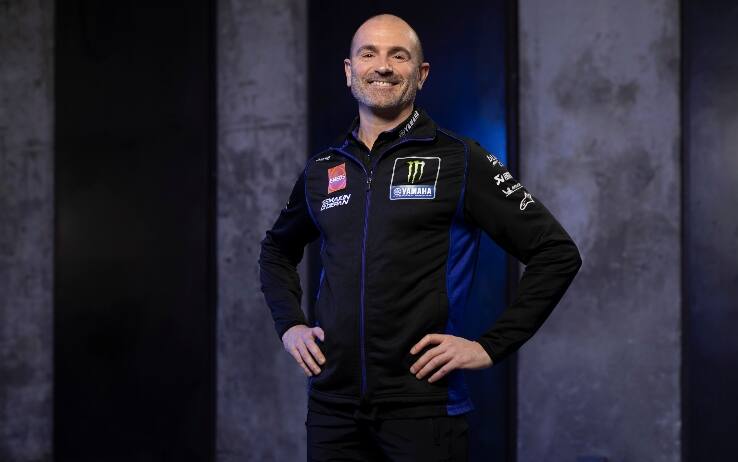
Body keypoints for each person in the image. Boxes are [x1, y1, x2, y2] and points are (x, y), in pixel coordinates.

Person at [259, 13, 582, 461]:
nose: (383, 66)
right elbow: (276, 250)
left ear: (421, 73)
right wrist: (290, 325)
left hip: (424, 409)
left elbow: (556, 252)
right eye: (368, 54)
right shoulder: (323, 169)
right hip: (333, 410)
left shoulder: (460, 159)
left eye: (399, 55)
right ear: (349, 71)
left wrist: (491, 346)